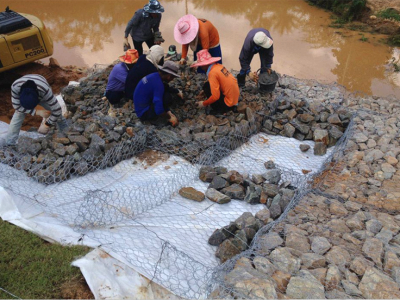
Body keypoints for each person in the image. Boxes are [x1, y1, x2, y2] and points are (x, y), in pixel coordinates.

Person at [2, 74, 68, 146]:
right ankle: (10, 142)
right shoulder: (15, 87)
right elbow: (17, 106)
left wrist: (47, 124)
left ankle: (65, 133)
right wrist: (36, 112)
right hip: (27, 89)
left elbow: (57, 110)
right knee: (18, 114)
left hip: (40, 86)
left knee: (58, 116)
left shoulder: (45, 91)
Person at [133, 61, 180, 127]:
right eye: (173, 77)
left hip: (139, 107)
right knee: (167, 98)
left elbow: (165, 87)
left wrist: (168, 110)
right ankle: (153, 119)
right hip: (143, 113)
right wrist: (169, 117)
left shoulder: (154, 76)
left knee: (164, 92)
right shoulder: (158, 85)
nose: (172, 80)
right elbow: (159, 110)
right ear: (169, 76)